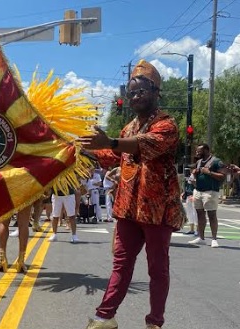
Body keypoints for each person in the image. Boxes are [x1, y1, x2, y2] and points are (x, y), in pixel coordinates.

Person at [78, 60, 185, 329]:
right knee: (121, 264)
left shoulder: (166, 125)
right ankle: (105, 317)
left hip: (156, 210)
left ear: (156, 92)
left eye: (141, 91)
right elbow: (113, 155)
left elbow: (144, 146)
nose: (136, 97)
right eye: (132, 92)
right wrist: (86, 151)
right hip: (127, 208)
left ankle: (154, 322)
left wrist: (110, 142)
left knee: (157, 269)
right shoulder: (128, 128)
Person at [188, 144, 226, 248]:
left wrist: (209, 172)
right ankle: (201, 237)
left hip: (210, 192)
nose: (197, 153)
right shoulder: (199, 162)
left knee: (212, 215)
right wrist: (195, 173)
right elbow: (196, 174)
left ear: (206, 150)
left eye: (199, 151)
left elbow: (223, 176)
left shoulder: (216, 161)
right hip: (198, 191)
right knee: (199, 214)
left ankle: (214, 239)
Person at [181, 167, 197, 235]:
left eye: (192, 168)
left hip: (194, 195)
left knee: (195, 213)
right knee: (189, 213)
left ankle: (197, 230)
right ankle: (191, 229)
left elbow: (197, 186)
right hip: (188, 195)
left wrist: (193, 181)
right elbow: (187, 186)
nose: (190, 170)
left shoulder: (197, 176)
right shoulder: (189, 176)